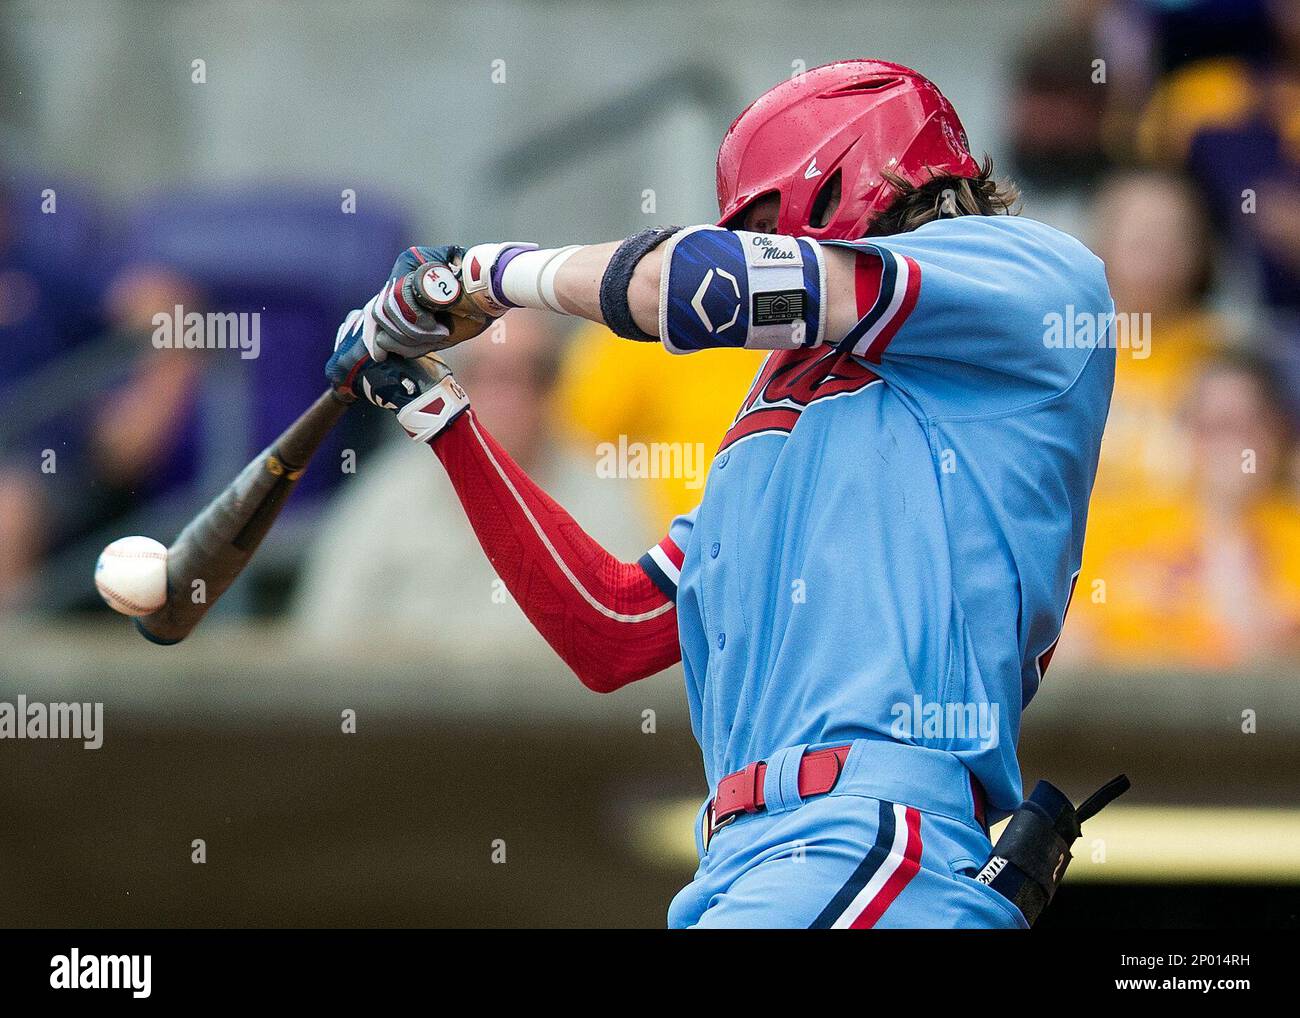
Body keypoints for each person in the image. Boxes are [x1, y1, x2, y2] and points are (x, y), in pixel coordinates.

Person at [323, 61, 1115, 928]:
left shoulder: (1030, 276)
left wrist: (475, 276)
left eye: (767, 224)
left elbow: (699, 282)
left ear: (853, 171)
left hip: (873, 834)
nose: (760, 244)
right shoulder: (779, 424)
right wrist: (438, 411)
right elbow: (610, 628)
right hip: (741, 859)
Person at [294, 310, 652, 645]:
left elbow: (634, 645)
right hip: (411, 710)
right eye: (486, 375)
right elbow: (323, 641)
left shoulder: (609, 499)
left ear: (555, 388)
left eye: (531, 375)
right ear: (452, 383)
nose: (506, 397)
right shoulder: (388, 498)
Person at [1071, 352, 1300, 668]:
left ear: (1277, 434)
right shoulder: (1120, 524)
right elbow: (1073, 636)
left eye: (1242, 427)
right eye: (1210, 427)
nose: (1226, 446)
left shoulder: (1293, 533)